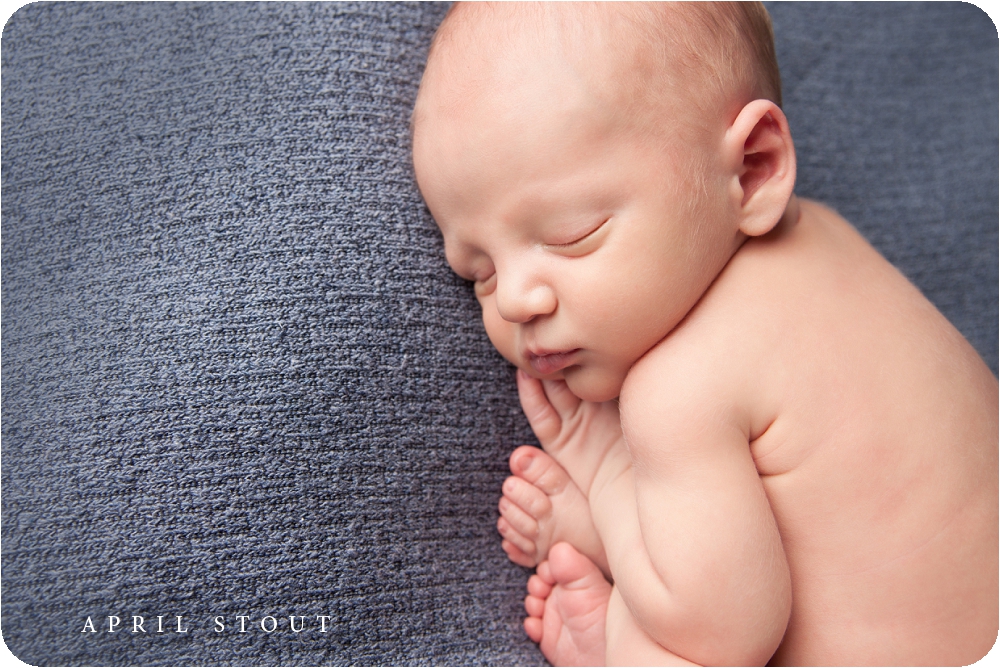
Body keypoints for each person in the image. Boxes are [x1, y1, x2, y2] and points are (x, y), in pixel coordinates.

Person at [410, 2, 999, 665]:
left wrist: (606, 480)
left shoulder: (682, 388)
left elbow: (717, 630)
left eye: (572, 235)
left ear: (752, 169)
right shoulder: (832, 247)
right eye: (477, 272)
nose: (515, 300)